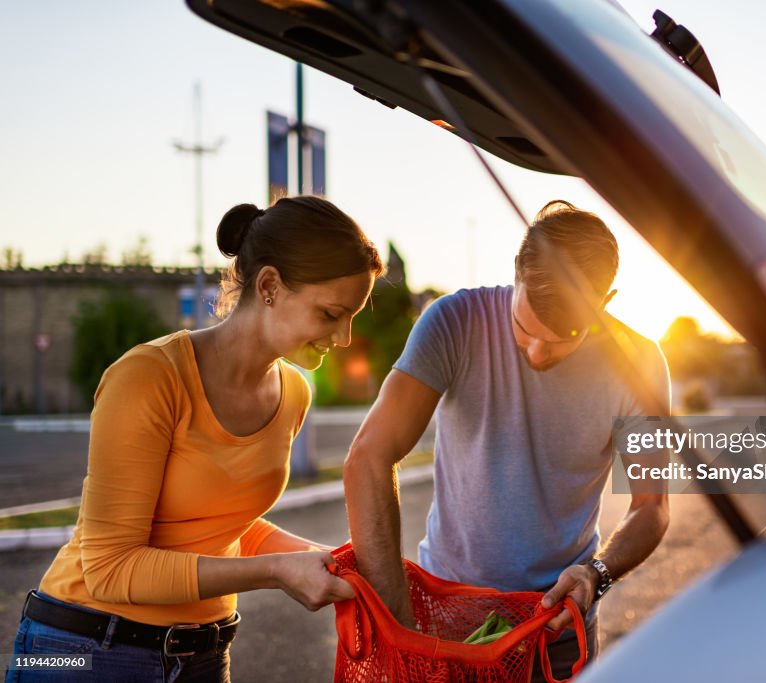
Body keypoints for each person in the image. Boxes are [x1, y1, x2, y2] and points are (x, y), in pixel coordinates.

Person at [6, 196, 383, 683]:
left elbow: (224, 526)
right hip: (79, 651)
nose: (346, 337)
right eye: (331, 313)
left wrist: (329, 561)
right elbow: (109, 568)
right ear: (269, 285)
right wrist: (277, 572)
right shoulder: (149, 376)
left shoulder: (293, 393)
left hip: (203, 656)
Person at [343, 200, 671, 681]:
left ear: (606, 299)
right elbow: (369, 457)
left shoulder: (640, 364)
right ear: (516, 269)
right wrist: (400, 624)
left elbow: (652, 507)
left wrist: (596, 575)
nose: (537, 353)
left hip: (554, 630)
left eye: (563, 338)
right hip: (445, 624)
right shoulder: (453, 321)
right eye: (524, 330)